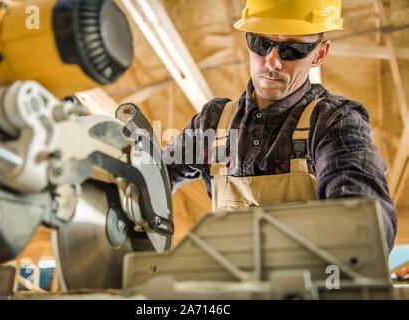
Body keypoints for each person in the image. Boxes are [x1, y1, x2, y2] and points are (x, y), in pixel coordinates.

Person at [163, 0, 397, 250]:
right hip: (228, 287)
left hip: (308, 288)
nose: (272, 61)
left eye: (292, 49)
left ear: (319, 53)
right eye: (260, 44)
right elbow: (151, 179)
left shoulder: (333, 123)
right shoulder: (213, 123)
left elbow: (366, 219)